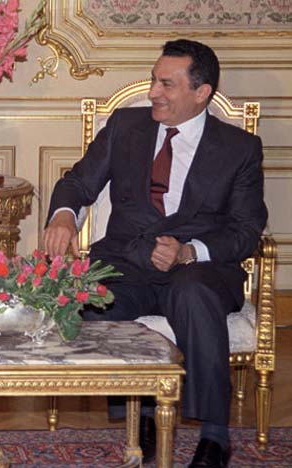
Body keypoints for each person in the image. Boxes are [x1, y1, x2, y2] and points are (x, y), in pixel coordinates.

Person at [43, 39, 266, 468]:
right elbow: (78, 182)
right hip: (127, 260)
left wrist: (188, 252)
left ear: (201, 93)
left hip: (200, 268)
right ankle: (142, 412)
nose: (152, 93)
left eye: (166, 84)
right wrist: (65, 216)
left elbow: (245, 230)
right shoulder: (125, 127)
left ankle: (214, 437)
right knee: (94, 297)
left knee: (193, 295)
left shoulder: (239, 149)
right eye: (152, 81)